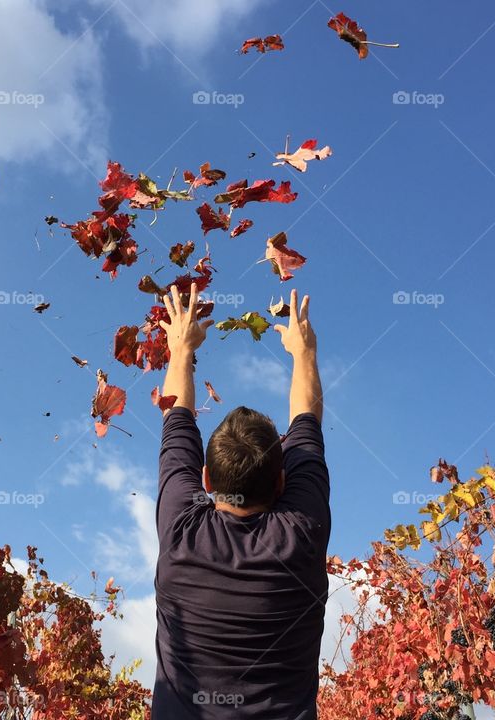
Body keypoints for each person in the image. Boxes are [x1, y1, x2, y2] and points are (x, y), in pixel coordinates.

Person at [152, 282, 330, 719]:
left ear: (206, 479)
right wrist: (301, 351)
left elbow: (176, 414)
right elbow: (306, 417)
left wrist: (181, 347)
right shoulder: (301, 534)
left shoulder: (181, 531)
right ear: (283, 481)